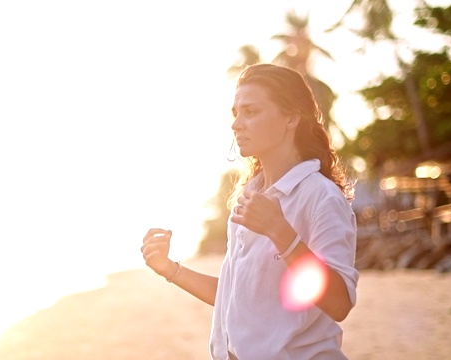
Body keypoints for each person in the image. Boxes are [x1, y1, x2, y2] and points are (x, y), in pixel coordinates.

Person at [141, 63, 359, 359]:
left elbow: (339, 303)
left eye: (251, 112)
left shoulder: (320, 196)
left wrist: (283, 234)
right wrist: (170, 269)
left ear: (292, 117)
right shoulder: (249, 195)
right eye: (236, 113)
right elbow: (236, 297)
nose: (236, 124)